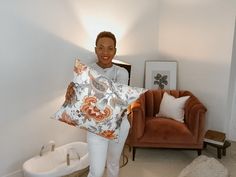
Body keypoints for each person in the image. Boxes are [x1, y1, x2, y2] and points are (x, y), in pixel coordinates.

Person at [66, 31, 130, 177]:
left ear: (115, 51)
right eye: (101, 48)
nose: (105, 52)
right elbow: (81, 99)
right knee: (96, 171)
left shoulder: (122, 72)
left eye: (110, 48)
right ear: (95, 49)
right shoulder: (86, 70)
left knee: (113, 164)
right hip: (96, 126)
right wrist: (72, 92)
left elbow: (117, 101)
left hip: (120, 125)